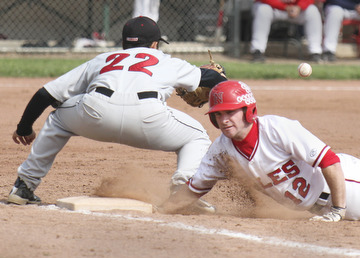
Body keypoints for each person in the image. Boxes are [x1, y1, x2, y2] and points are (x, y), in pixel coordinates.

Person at [7, 16, 227, 212]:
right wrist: (224, 81)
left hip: (94, 113)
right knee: (196, 135)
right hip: (148, 118)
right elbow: (212, 79)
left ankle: (24, 186)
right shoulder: (167, 61)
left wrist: (24, 127)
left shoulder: (103, 59)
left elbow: (46, 94)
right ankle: (184, 189)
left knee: (57, 119)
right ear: (155, 44)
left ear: (124, 42)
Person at [160, 80, 360, 222]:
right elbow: (194, 188)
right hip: (322, 206)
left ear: (248, 110)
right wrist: (163, 208)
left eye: (230, 112)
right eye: (218, 115)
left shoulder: (276, 129)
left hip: (348, 186)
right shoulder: (220, 151)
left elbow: (330, 161)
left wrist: (337, 209)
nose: (224, 120)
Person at [250, 0, 323, 63]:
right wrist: (284, 7)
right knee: (263, 9)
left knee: (313, 11)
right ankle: (257, 50)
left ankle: (315, 52)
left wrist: (299, 7)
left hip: (296, 9)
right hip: (272, 7)